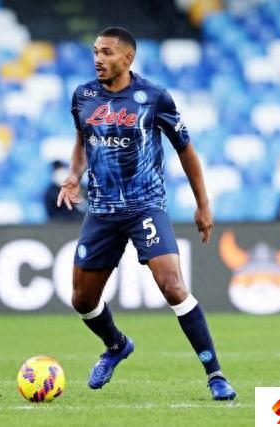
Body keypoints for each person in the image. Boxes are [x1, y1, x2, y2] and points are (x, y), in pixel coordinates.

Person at [56, 27, 236, 400]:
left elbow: (186, 149)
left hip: (145, 207)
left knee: (173, 286)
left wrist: (203, 203)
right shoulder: (83, 96)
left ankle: (216, 375)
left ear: (128, 58)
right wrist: (74, 175)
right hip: (102, 210)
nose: (98, 59)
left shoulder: (154, 98)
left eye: (106, 52)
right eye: (95, 52)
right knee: (82, 300)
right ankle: (116, 345)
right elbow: (82, 140)